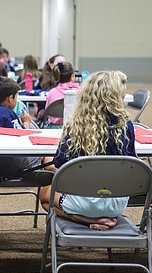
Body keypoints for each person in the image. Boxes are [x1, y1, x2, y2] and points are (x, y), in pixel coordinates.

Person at [39, 71, 136, 231]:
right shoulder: (126, 127)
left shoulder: (75, 126)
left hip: (82, 201)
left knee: (44, 195)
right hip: (116, 202)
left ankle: (82, 219)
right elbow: (131, 164)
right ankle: (102, 217)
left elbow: (60, 164)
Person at [0, 77, 43, 180]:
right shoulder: (9, 115)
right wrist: (26, 122)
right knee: (44, 156)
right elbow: (23, 138)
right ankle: (57, 178)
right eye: (16, 97)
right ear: (10, 98)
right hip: (10, 163)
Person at [41, 61, 80, 128]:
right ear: (72, 76)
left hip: (53, 130)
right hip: (75, 128)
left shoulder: (52, 93)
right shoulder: (80, 93)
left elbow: (47, 112)